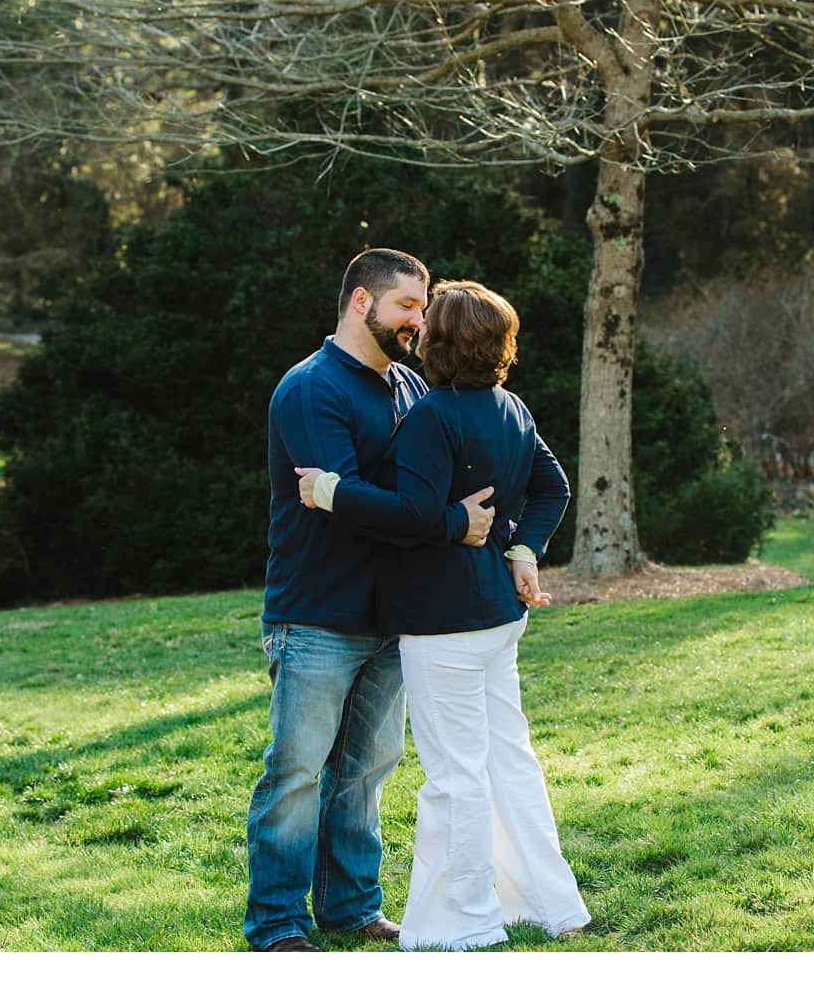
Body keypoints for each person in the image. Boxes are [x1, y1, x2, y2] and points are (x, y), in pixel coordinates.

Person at [297, 280, 590, 950]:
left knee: (456, 770)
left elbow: (414, 515)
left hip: (446, 622)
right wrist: (524, 550)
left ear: (439, 341)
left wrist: (331, 489)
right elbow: (554, 486)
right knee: (507, 758)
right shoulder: (511, 406)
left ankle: (467, 923)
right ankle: (551, 904)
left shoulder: (433, 415)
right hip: (495, 616)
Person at [247, 248, 496, 952]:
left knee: (365, 770)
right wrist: (452, 523)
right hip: (317, 613)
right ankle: (276, 923)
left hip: (394, 619)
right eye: (408, 307)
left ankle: (351, 906)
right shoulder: (311, 389)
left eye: (422, 307)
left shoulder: (413, 389)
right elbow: (344, 501)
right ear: (363, 301)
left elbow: (423, 492)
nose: (421, 321)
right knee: (296, 771)